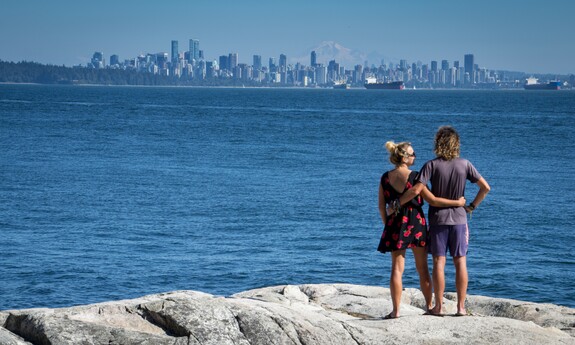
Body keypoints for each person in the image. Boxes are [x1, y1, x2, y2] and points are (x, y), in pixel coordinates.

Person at [399, 126, 490, 317]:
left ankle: (438, 307)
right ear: (456, 144)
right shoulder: (465, 164)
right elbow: (485, 188)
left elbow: (417, 190)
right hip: (459, 219)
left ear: (438, 144)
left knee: (439, 262)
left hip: (438, 220)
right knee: (460, 262)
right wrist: (471, 206)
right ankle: (461, 308)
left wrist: (396, 204)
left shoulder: (431, 165)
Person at [378, 141, 465, 319]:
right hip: (415, 222)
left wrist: (388, 223)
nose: (415, 156)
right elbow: (433, 200)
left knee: (396, 268)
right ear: (404, 157)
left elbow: (381, 206)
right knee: (422, 268)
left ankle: (396, 311)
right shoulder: (416, 177)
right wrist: (458, 203)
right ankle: (430, 305)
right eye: (412, 154)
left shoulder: (385, 177)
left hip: (395, 223)